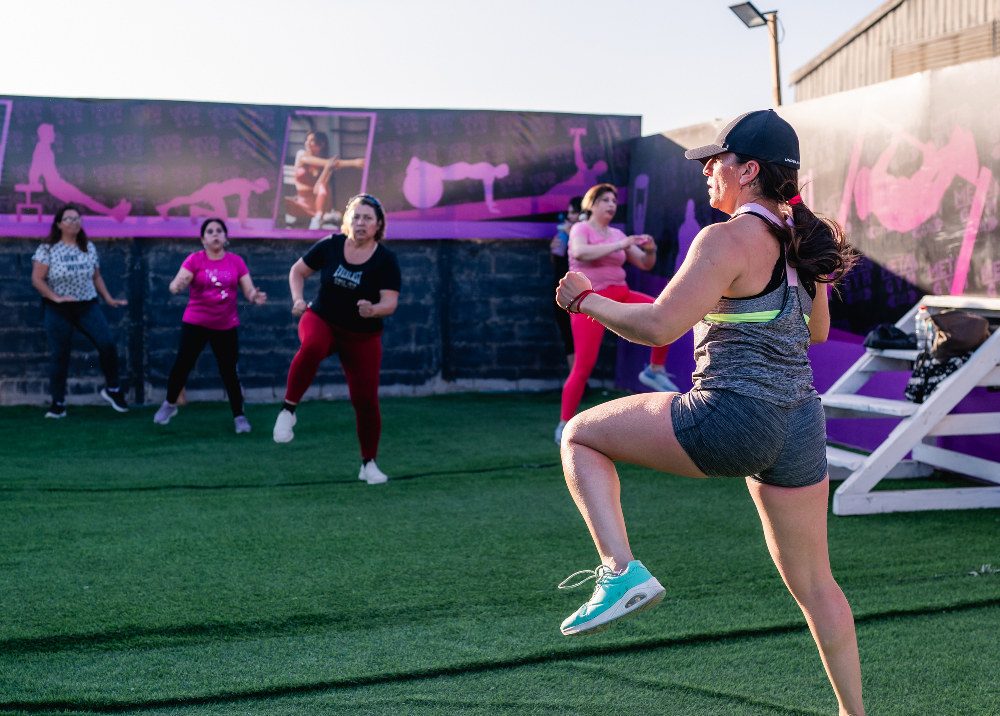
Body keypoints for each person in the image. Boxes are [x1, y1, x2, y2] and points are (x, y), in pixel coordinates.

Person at [554, 110, 864, 716]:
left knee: (580, 436)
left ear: (748, 171)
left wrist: (585, 300)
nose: (706, 171)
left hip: (733, 417)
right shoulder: (802, 239)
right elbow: (818, 331)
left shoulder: (725, 238)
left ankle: (620, 570)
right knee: (817, 586)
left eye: (715, 160)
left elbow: (659, 325)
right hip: (801, 424)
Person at [273, 194, 401, 486]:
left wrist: (374, 310)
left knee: (365, 400)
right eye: (356, 217)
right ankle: (288, 410)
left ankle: (368, 463)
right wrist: (297, 299)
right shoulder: (331, 245)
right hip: (322, 319)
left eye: (367, 218)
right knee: (313, 346)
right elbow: (298, 271)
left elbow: (390, 302)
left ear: (378, 225)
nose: (360, 223)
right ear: (348, 221)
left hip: (361, 335)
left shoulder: (385, 259)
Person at [555, 184, 677, 444]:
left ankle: (654, 371)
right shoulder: (581, 229)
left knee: (664, 313)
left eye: (614, 200)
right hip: (589, 302)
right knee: (583, 366)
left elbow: (644, 263)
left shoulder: (617, 234)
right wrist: (621, 244)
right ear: (591, 204)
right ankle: (564, 423)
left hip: (621, 294)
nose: (612, 204)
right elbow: (580, 252)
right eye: (605, 200)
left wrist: (650, 249)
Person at [154, 218, 267, 432]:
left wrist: (255, 297)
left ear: (225, 237)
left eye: (219, 231)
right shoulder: (195, 260)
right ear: (203, 239)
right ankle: (169, 404)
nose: (215, 234)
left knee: (229, 372)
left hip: (225, 325)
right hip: (196, 322)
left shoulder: (236, 262)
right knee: (182, 365)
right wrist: (176, 287)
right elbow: (176, 284)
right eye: (210, 231)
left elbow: (248, 290)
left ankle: (239, 417)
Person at [30, 206, 129, 417]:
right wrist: (56, 297)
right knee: (60, 355)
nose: (74, 222)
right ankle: (58, 404)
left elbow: (96, 276)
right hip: (58, 310)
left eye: (77, 219)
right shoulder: (47, 249)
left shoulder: (88, 247)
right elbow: (37, 279)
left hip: (86, 306)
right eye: (69, 219)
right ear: (59, 224)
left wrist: (108, 298)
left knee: (108, 344)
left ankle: (113, 390)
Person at [550, 197, 582, 371]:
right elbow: (557, 264)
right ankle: (575, 380)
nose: (570, 216)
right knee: (567, 335)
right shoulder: (567, 233)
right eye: (569, 212)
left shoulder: (584, 234)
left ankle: (579, 379)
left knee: (580, 338)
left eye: (573, 212)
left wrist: (572, 237)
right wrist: (553, 250)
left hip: (579, 293)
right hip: (561, 290)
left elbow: (583, 259)